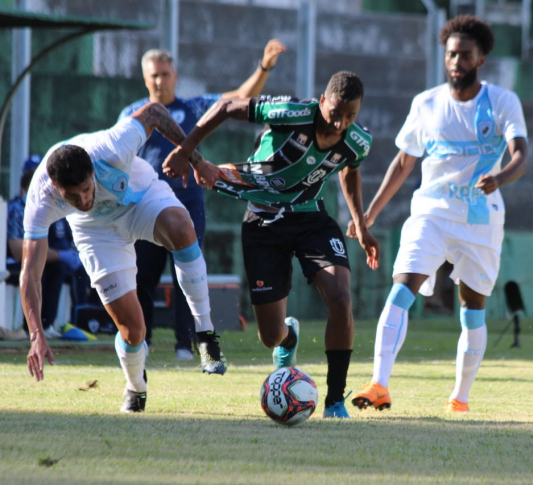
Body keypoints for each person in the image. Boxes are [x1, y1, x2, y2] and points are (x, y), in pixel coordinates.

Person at [164, 71, 380, 418]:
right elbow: (226, 106)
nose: (340, 123)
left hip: (311, 218)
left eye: (350, 116)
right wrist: (186, 150)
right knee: (269, 336)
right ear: (322, 101)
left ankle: (335, 400)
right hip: (263, 223)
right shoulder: (290, 112)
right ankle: (288, 339)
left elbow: (349, 169)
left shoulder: (358, 140)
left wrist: (360, 222)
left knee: (340, 296)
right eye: (335, 112)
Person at [349, 15, 529, 413]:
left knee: (472, 307)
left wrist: (499, 177)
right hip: (430, 212)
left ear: (481, 59)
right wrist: (369, 215)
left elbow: (521, 157)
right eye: (451, 54)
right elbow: (403, 163)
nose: (457, 62)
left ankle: (460, 398)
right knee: (401, 290)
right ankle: (379, 384)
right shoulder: (426, 103)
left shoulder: (502, 101)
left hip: (481, 219)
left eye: (465, 55)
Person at [22, 102, 226, 413]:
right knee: (133, 329)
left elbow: (155, 112)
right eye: (72, 196)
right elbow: (30, 273)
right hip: (95, 232)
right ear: (55, 188)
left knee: (183, 228)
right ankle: (135, 387)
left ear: (93, 170)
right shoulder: (40, 199)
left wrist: (194, 159)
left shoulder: (111, 147)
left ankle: (205, 334)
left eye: (87, 189)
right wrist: (36, 335)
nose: (84, 199)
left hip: (140, 196)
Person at [119, 40, 286, 359]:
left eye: (165, 74)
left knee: (188, 271)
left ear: (175, 76)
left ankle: (186, 344)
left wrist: (263, 67)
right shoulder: (132, 114)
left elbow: (237, 97)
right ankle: (143, 340)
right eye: (154, 75)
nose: (160, 81)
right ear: (145, 78)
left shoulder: (193, 107)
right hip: (141, 204)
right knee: (141, 275)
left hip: (186, 202)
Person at [6, 156, 89, 340]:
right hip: (12, 262)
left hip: (42, 259)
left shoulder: (52, 207)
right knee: (40, 267)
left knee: (60, 267)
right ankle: (29, 328)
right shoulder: (17, 209)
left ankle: (49, 324)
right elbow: (19, 251)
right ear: (24, 189)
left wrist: (65, 255)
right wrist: (59, 255)